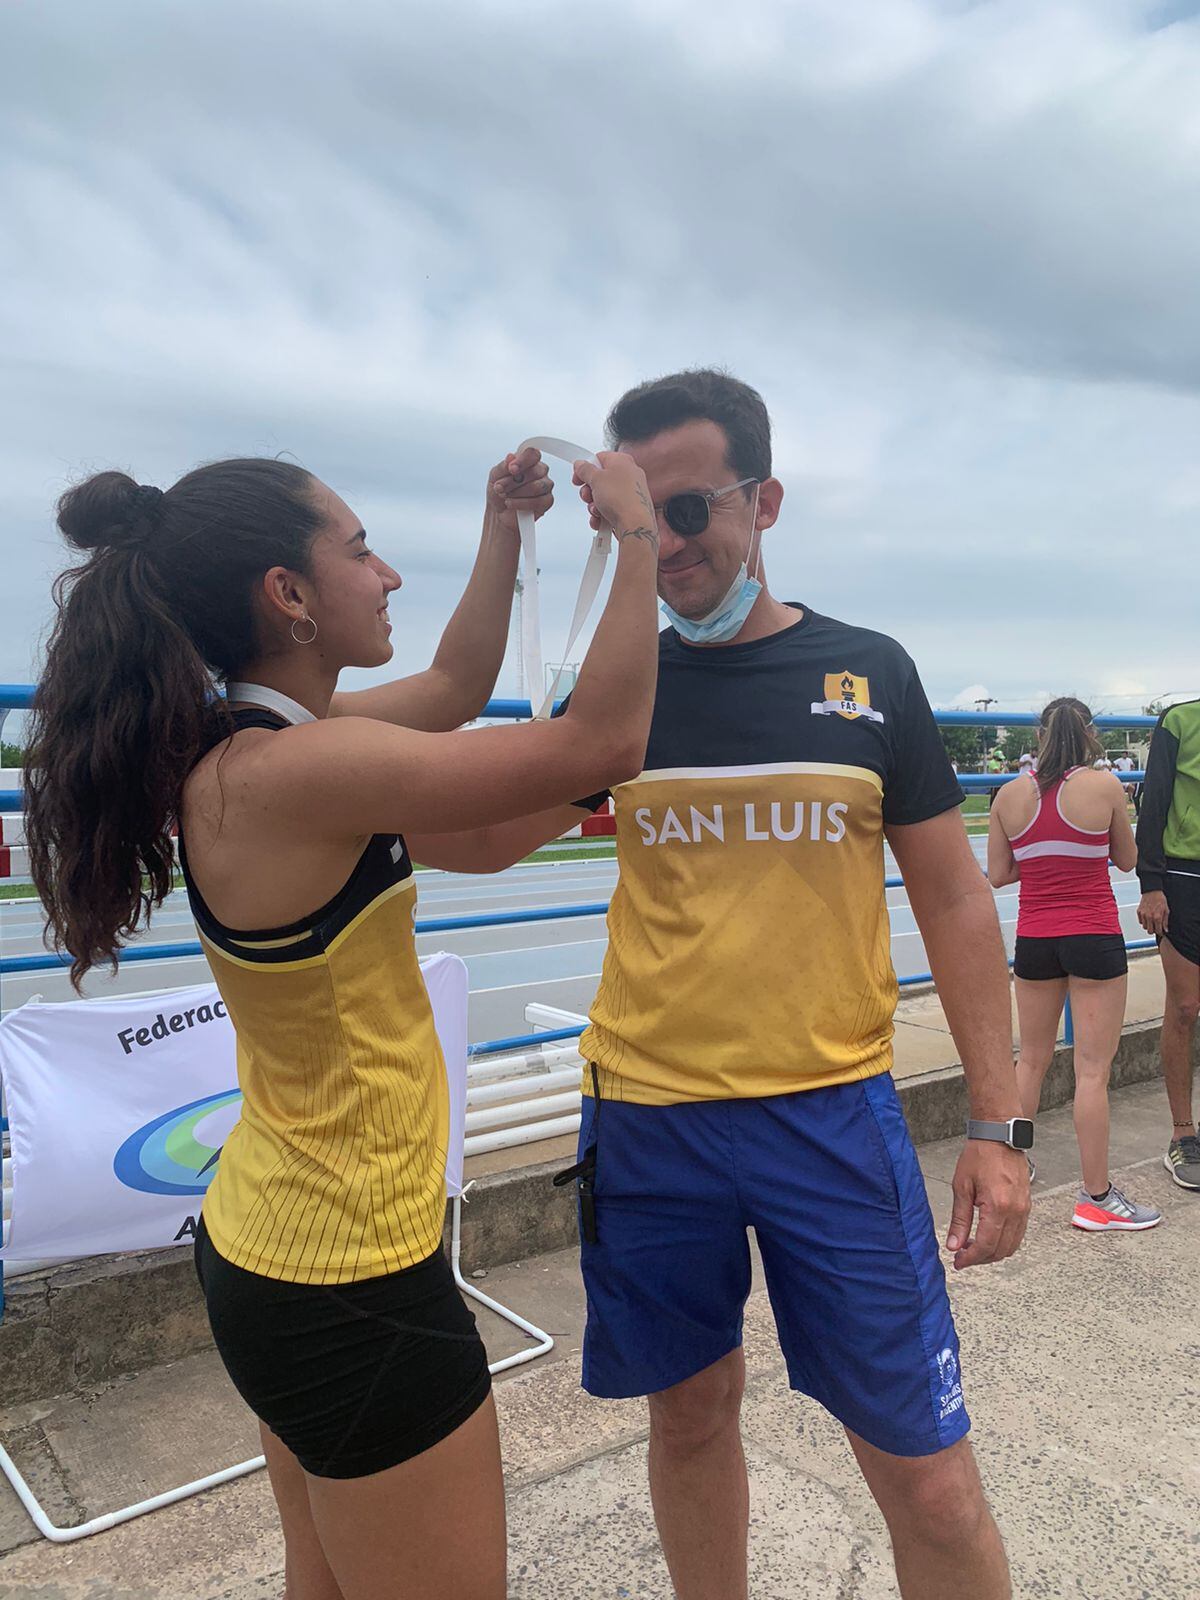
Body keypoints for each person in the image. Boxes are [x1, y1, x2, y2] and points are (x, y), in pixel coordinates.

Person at [424, 370, 1030, 1600]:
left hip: (833, 1117)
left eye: (687, 509)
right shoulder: (622, 700)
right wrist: (289, 772)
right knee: (691, 1417)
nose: (669, 544)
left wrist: (995, 1119)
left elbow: (957, 900)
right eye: (634, 515)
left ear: (765, 501)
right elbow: (477, 835)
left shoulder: (870, 675)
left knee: (931, 1476)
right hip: (649, 1122)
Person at [24, 447, 661, 1600]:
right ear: (289, 593)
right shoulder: (295, 771)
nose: (389, 577)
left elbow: (464, 711)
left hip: (283, 1250)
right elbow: (603, 738)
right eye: (361, 549)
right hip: (348, 1280)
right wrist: (637, 542)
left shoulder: (257, 753)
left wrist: (503, 525)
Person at [989, 699, 1160, 1231]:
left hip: (1036, 938)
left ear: (1039, 736)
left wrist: (1042, 860)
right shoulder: (1105, 787)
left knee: (1031, 1061)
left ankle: (1009, 1169)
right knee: (1091, 1071)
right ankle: (1097, 1198)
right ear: (1089, 734)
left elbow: (999, 873)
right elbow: (1128, 859)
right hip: (1094, 935)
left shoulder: (1008, 794)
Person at [1136, 698, 1200, 1191]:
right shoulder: (1180, 718)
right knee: (1184, 1008)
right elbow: (1153, 801)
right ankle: (1183, 1134)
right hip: (1182, 878)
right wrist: (1151, 884)